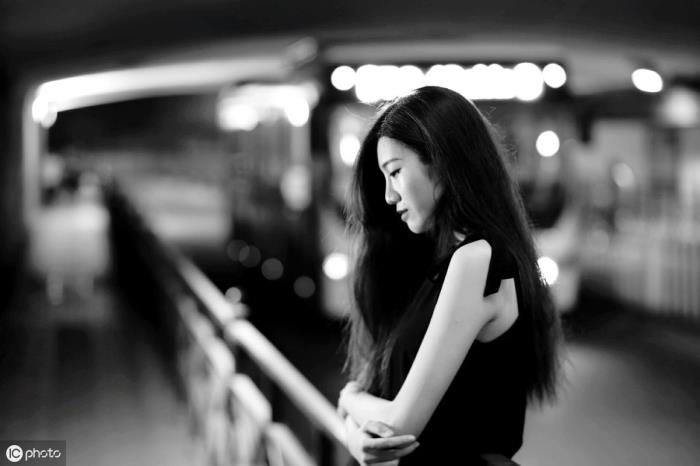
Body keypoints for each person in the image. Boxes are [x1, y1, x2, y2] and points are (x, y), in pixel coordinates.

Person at [338, 86, 562, 465]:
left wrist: (348, 400)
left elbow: (397, 426)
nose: (389, 196)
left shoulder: (478, 259)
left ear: (442, 162)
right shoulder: (432, 260)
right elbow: (377, 396)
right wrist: (354, 435)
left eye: (395, 172)